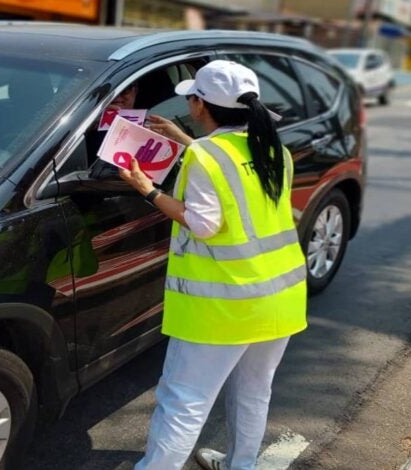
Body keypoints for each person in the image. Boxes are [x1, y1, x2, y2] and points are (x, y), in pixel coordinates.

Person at [118, 60, 308, 470]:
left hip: (224, 303)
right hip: (280, 296)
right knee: (254, 391)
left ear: (200, 104)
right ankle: (241, 465)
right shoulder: (274, 148)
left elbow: (205, 222)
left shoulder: (205, 155)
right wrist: (188, 141)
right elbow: (236, 173)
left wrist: (146, 190)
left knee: (184, 399)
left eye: (191, 98)